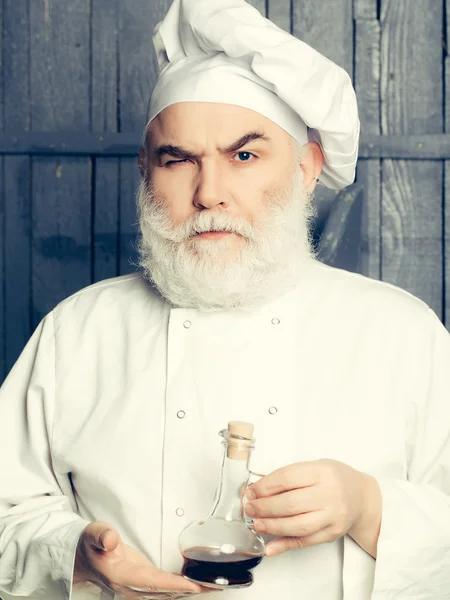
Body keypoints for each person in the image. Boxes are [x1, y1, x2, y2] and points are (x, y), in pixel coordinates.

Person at [0, 0, 449, 599]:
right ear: (146, 171)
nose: (208, 193)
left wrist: (370, 509)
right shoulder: (79, 331)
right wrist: (75, 554)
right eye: (177, 159)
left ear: (308, 165)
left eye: (244, 155)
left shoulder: (401, 333)